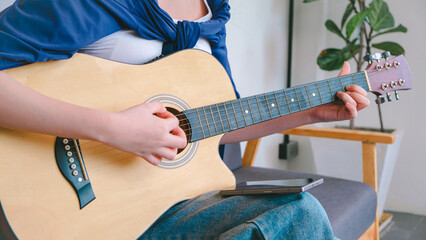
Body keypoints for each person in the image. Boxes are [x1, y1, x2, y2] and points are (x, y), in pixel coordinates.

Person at [0, 0, 369, 239]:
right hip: (80, 213)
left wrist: (312, 111)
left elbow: (216, 123)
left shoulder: (212, 15)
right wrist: (115, 129)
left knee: (298, 214)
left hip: (169, 205)